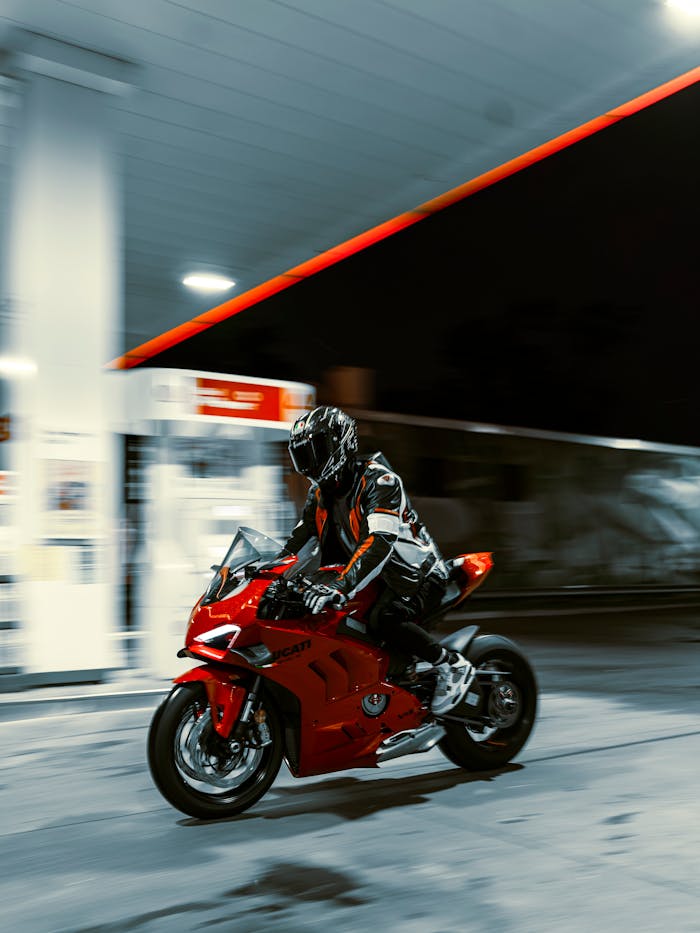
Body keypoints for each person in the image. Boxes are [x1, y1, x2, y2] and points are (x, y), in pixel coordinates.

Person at [280, 404, 474, 715]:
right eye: (303, 454)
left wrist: (340, 586)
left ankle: (450, 665)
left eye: (316, 450)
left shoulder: (380, 482)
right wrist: (263, 574)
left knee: (385, 618)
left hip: (415, 576)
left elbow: (378, 542)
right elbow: (297, 545)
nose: (310, 462)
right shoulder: (319, 497)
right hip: (373, 577)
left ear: (341, 445)